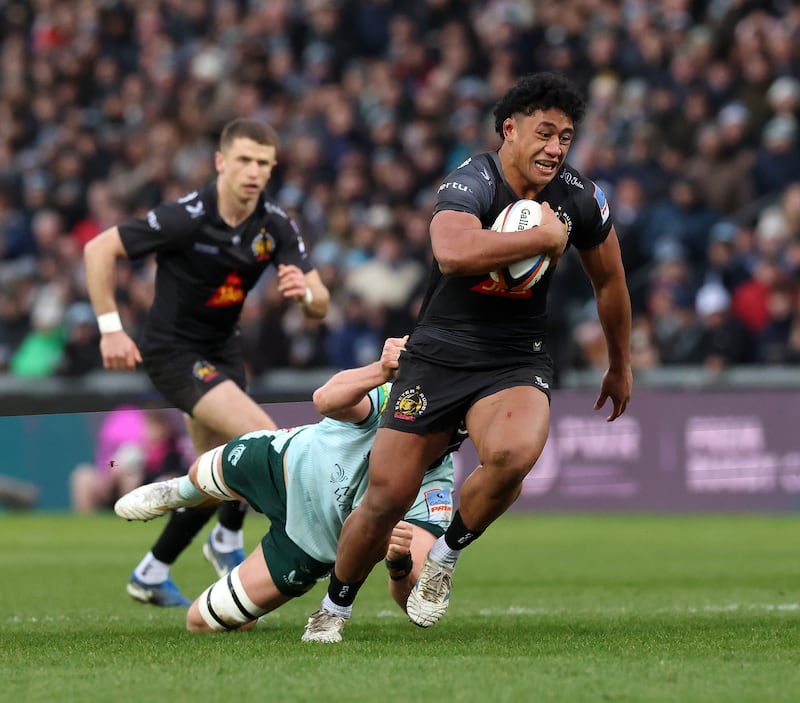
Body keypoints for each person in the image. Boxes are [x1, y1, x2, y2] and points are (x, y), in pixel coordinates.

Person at [304, 71, 632, 641]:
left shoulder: (580, 196)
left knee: (514, 454)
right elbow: (452, 251)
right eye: (545, 133)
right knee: (386, 498)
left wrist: (620, 363)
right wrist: (541, 239)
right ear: (510, 129)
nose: (556, 149)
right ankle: (333, 609)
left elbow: (611, 282)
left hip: (514, 356)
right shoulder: (471, 180)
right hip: (437, 352)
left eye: (566, 138)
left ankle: (446, 559)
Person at [84, 118, 330, 607]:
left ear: (272, 167)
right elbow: (99, 248)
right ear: (221, 162)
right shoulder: (186, 217)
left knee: (214, 472)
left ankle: (152, 571)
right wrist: (111, 327)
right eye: (243, 160)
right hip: (174, 352)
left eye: (262, 162)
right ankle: (229, 542)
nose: (252, 171)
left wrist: (305, 295)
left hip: (223, 353)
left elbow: (320, 299)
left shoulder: (275, 224)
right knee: (263, 440)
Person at [114, 336, 462, 638]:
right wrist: (381, 372)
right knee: (205, 472)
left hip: (307, 544)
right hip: (284, 464)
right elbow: (326, 399)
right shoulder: (396, 401)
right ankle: (177, 493)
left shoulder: (434, 488)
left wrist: (399, 564)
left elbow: (414, 600)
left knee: (201, 622)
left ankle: (239, 593)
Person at [70, 405, 186, 514]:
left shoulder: (172, 449)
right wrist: (111, 472)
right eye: (151, 427)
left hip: (144, 492)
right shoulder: (134, 448)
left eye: (159, 427)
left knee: (130, 479)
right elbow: (112, 462)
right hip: (113, 486)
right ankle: (86, 521)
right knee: (83, 476)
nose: (156, 432)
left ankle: (127, 514)